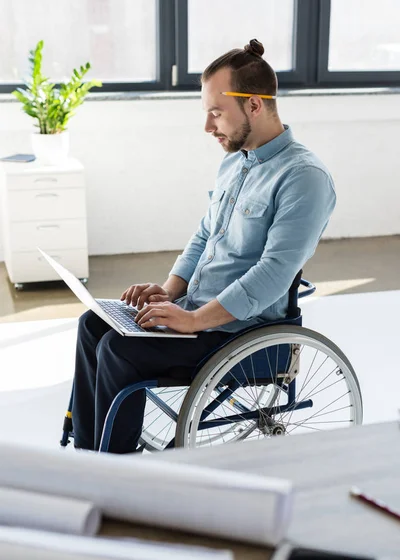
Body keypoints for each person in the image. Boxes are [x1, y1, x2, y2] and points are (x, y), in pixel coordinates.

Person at [71, 39, 336, 453]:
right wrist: (169, 293)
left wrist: (193, 321)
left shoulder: (305, 178)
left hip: (238, 333)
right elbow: (203, 237)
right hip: (197, 311)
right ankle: (90, 456)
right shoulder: (235, 160)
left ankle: (116, 470)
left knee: (120, 350)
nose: (208, 127)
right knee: (94, 325)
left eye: (216, 113)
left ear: (254, 106)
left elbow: (272, 275)